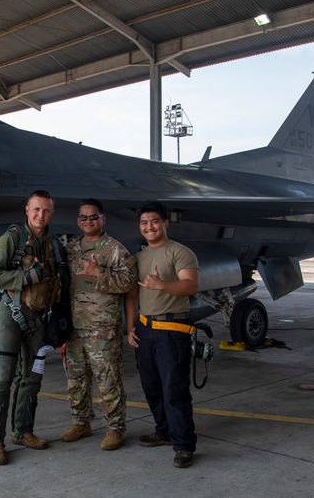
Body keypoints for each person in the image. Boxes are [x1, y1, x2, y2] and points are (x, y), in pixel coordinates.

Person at [0, 190, 65, 465]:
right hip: (11, 313)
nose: (41, 215)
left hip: (40, 318)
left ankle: (23, 431)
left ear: (51, 213)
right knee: (3, 377)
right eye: (36, 209)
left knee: (33, 377)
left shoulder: (54, 243)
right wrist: (27, 276)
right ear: (27, 210)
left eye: (46, 210)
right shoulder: (12, 239)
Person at [124, 200, 200, 468]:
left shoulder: (180, 252)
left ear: (165, 223)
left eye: (155, 221)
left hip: (171, 330)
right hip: (145, 330)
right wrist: (131, 327)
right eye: (144, 223)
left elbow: (190, 285)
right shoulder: (138, 258)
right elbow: (132, 296)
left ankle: (183, 444)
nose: (149, 227)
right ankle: (164, 432)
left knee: (174, 390)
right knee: (152, 388)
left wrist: (162, 284)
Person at [60, 198, 137, 450]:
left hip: (102, 329)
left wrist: (100, 274)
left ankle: (115, 428)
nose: (88, 221)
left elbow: (128, 283)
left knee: (108, 379)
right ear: (78, 221)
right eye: (83, 217)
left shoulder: (114, 249)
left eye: (93, 217)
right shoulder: (71, 249)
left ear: (103, 219)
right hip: (74, 327)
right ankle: (81, 422)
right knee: (76, 379)